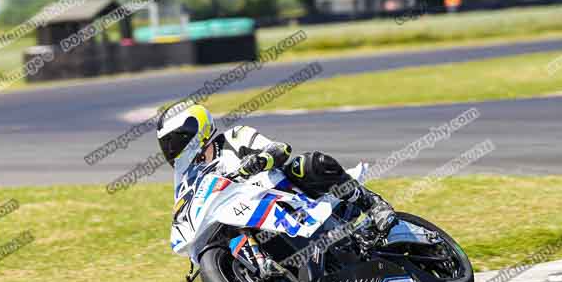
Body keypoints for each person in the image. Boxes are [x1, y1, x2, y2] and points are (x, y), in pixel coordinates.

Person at [156, 102, 397, 235]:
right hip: (252, 216)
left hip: (292, 197)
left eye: (175, 141)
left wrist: (260, 160)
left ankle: (372, 203)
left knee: (307, 164)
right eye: (167, 145)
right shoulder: (192, 178)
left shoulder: (234, 137)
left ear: (196, 130)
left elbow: (280, 149)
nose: (172, 149)